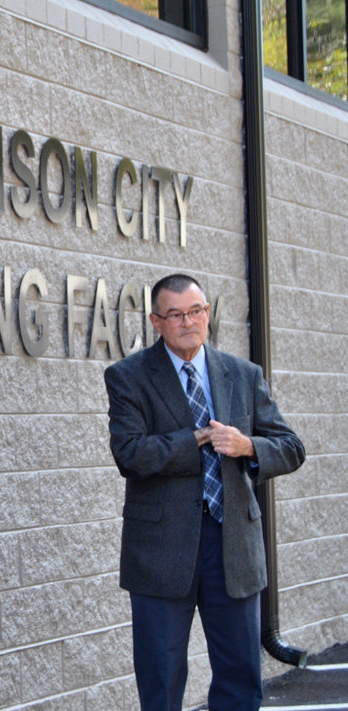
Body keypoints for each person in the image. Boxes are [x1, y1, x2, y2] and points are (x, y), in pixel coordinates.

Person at [104, 273, 305, 711]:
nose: (187, 322)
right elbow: (130, 454)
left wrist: (247, 445)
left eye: (195, 311)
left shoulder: (243, 374)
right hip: (161, 550)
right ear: (157, 322)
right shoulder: (128, 377)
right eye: (175, 314)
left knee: (240, 678)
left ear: (208, 314)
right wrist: (194, 438)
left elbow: (292, 448)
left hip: (231, 546)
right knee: (161, 678)